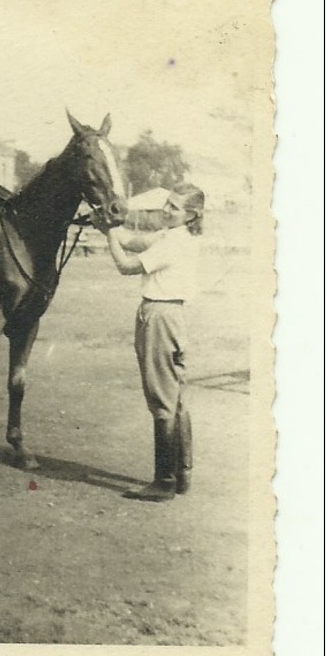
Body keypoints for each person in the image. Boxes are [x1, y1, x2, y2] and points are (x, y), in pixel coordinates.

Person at [96, 182, 205, 502]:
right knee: (175, 397)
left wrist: (106, 235)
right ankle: (182, 474)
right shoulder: (176, 235)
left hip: (159, 314)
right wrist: (115, 227)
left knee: (161, 400)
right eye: (167, 203)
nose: (166, 210)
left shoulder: (174, 242)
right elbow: (137, 241)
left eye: (174, 207)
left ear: (191, 215)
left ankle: (164, 481)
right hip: (172, 315)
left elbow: (126, 265)